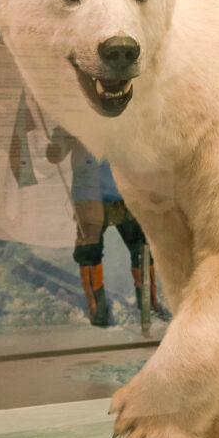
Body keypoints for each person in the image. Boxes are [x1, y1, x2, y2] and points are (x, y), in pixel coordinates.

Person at [45, 126, 168, 326]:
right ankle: (97, 308)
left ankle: (149, 302)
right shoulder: (73, 118)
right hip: (89, 197)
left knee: (142, 249)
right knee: (90, 253)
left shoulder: (122, 115)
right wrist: (55, 148)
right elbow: (56, 155)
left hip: (125, 196)